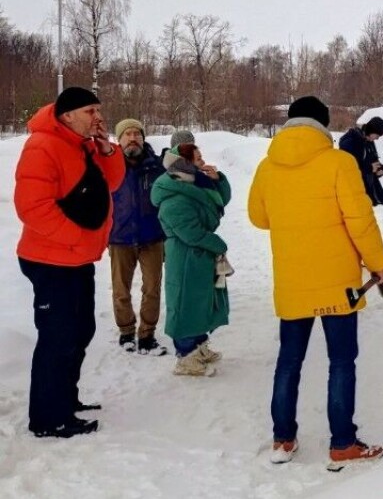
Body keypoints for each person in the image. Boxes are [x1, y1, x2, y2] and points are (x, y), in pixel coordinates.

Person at [248, 95, 383, 467]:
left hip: (292, 278)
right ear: (323, 125)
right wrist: (378, 264)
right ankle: (342, 442)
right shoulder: (339, 163)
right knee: (341, 361)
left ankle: (282, 440)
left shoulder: (267, 167)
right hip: (337, 283)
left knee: (288, 361)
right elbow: (361, 221)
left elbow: (258, 218)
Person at [14, 87, 125, 438]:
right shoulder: (42, 145)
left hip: (76, 260)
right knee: (57, 337)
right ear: (67, 115)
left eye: (98, 110)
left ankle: (64, 399)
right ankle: (48, 418)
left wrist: (107, 148)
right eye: (90, 111)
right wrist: (78, 238)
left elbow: (114, 181)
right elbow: (32, 208)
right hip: (51, 261)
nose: (97, 117)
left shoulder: (85, 144)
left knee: (81, 331)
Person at [151, 143, 232, 377]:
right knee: (185, 304)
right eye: (197, 159)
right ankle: (185, 357)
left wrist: (218, 179)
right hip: (185, 257)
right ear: (184, 164)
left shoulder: (193, 183)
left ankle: (198, 347)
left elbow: (219, 203)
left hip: (198, 255)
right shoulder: (174, 196)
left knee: (200, 301)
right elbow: (191, 233)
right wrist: (218, 244)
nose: (202, 161)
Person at [109, 118, 167, 355]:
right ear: (119, 139)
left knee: (152, 288)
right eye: (127, 134)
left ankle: (147, 334)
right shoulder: (109, 167)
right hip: (119, 237)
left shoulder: (157, 167)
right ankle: (126, 332)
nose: (132, 138)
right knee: (120, 290)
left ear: (143, 138)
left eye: (137, 134)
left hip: (152, 237)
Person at [338, 117, 383, 206]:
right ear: (371, 130)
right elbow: (347, 168)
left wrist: (378, 170)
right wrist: (369, 168)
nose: (377, 139)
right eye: (377, 136)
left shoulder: (369, 142)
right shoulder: (350, 141)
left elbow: (372, 160)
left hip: (366, 190)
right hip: (353, 191)